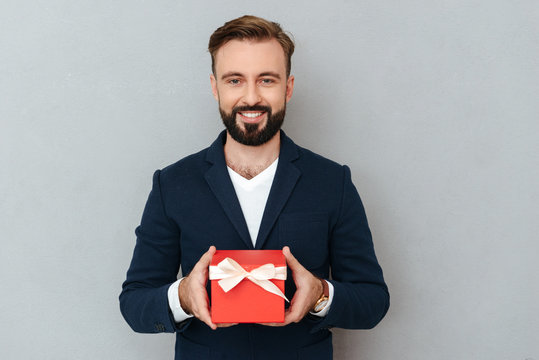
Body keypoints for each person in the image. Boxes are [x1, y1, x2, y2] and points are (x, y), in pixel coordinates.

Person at [120, 15, 389, 360]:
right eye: (235, 80)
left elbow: (373, 302)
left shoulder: (332, 182)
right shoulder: (172, 184)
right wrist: (184, 297)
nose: (251, 98)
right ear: (215, 87)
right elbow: (134, 303)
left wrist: (321, 294)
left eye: (266, 80)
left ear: (287, 87)